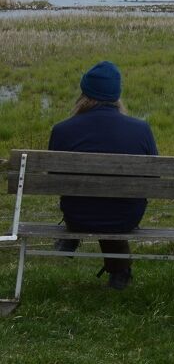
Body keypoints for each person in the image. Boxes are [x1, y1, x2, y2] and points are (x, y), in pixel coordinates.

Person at [47, 61, 158, 290]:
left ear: (84, 92)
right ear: (117, 94)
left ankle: (71, 239)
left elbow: (54, 176)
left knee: (94, 202)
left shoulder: (62, 130)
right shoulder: (141, 129)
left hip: (78, 216)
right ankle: (120, 274)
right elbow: (154, 178)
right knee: (110, 205)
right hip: (126, 217)